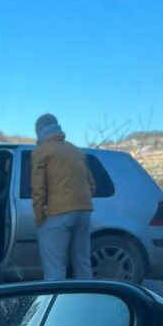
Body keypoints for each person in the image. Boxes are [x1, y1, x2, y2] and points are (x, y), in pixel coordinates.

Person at [31, 113, 96, 280]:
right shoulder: (76, 150)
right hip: (83, 211)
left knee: (55, 268)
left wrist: (39, 218)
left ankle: (56, 302)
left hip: (58, 213)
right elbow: (92, 185)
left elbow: (38, 189)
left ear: (39, 130)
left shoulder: (41, 152)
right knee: (82, 263)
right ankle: (86, 299)